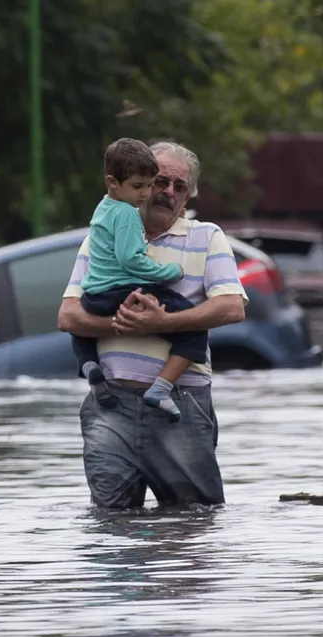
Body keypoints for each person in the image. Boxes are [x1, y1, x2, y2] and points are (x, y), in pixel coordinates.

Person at [57, 141, 248, 509]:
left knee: (193, 520)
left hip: (181, 404)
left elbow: (231, 308)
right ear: (137, 183)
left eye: (180, 187)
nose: (167, 193)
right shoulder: (101, 236)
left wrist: (163, 321)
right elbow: (67, 316)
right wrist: (124, 324)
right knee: (110, 522)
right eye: (160, 182)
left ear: (189, 195)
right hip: (111, 404)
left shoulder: (207, 237)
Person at [72, 138, 207, 423]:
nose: (146, 194)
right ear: (112, 182)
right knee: (196, 327)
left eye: (148, 185)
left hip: (95, 295)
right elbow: (131, 260)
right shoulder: (129, 215)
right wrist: (169, 272)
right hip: (124, 291)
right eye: (143, 185)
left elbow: (232, 308)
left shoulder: (102, 209)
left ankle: (89, 367)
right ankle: (161, 388)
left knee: (80, 330)